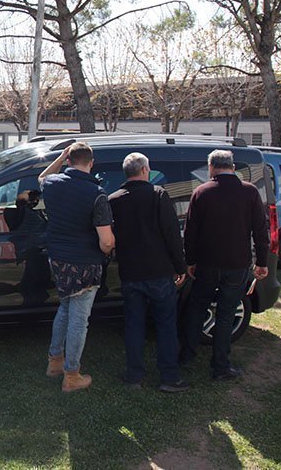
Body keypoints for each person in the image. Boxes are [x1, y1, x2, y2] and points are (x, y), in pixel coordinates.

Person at [181, 149, 269, 381]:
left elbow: (190, 232)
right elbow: (260, 230)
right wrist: (262, 261)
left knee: (197, 309)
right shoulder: (249, 192)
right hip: (237, 264)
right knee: (226, 314)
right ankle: (220, 366)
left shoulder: (201, 192)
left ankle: (186, 356)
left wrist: (190, 260)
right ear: (232, 167)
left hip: (207, 264)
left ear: (211, 167)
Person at [108, 153, 189, 393]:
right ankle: (169, 377)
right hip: (159, 271)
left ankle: (134, 375)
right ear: (145, 170)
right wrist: (180, 266)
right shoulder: (158, 195)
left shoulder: (113, 199)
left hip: (130, 272)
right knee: (166, 325)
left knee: (134, 325)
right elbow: (172, 233)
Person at [39, 142, 115, 393]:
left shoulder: (52, 184)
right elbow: (105, 241)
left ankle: (54, 362)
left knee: (65, 309)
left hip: (58, 261)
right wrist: (109, 248)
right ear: (91, 163)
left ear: (69, 161)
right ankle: (72, 375)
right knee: (79, 320)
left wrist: (60, 157)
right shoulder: (97, 193)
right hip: (85, 264)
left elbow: (43, 176)